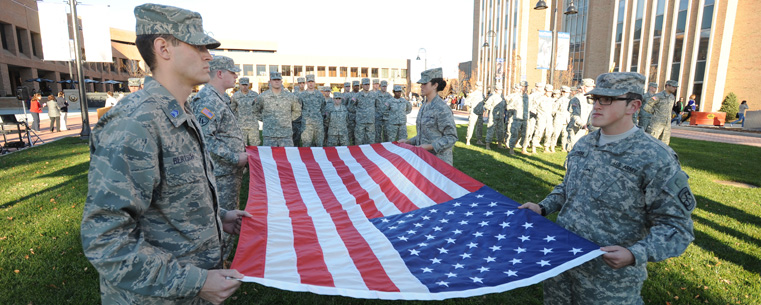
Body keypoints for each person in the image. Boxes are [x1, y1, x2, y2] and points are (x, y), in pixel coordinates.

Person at [81, 4, 250, 304]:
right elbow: (105, 240)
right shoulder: (136, 123)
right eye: (198, 46)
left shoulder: (180, 112)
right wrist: (195, 282)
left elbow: (174, 197)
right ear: (163, 48)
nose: (208, 56)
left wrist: (219, 216)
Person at [519, 72, 694, 305]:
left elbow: (677, 227)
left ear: (634, 105)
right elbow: (568, 187)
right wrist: (542, 208)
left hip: (608, 281)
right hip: (563, 263)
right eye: (596, 99)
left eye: (608, 100)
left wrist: (635, 254)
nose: (597, 106)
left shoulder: (655, 157)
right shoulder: (585, 143)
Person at [399, 68, 457, 165]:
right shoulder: (424, 105)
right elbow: (424, 134)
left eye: (424, 84)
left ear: (435, 85)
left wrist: (430, 146)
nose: (421, 86)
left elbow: (451, 137)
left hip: (438, 161)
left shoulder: (442, 108)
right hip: (424, 159)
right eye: (421, 84)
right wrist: (408, 141)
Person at [253, 72, 301, 147]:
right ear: (270, 82)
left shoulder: (290, 97)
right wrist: (265, 119)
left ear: (281, 81)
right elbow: (255, 111)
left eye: (278, 79)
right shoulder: (263, 97)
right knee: (269, 157)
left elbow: (297, 111)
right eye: (274, 79)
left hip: (286, 135)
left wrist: (288, 119)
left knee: (286, 157)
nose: (276, 81)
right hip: (269, 135)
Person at [643, 80, 678, 144]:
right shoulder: (658, 96)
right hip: (656, 125)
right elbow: (647, 107)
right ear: (667, 86)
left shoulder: (672, 97)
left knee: (664, 145)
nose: (675, 88)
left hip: (666, 126)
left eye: (676, 87)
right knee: (652, 143)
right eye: (673, 86)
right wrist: (655, 113)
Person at [566, 78, 595, 151]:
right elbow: (574, 115)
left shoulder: (591, 98)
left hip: (588, 128)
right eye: (590, 87)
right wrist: (582, 124)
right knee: (573, 149)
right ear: (584, 87)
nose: (592, 88)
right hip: (577, 128)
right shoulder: (576, 99)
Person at [230, 76, 260, 146]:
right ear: (239, 85)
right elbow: (232, 109)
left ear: (249, 85)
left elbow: (259, 107)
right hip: (241, 125)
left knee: (255, 145)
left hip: (253, 125)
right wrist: (237, 118)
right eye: (242, 85)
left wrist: (257, 116)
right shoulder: (236, 96)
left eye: (246, 85)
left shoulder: (255, 95)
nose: (244, 87)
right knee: (242, 146)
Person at [298, 74, 325, 147]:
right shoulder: (302, 95)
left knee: (319, 144)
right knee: (306, 145)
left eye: (312, 81)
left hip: (318, 124)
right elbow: (299, 109)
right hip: (306, 125)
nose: (310, 83)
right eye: (309, 81)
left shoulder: (319, 95)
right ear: (306, 83)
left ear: (314, 82)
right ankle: (306, 158)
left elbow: (323, 108)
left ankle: (319, 158)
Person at [531, 84, 556, 154]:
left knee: (549, 132)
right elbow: (533, 107)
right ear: (545, 91)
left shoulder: (551, 100)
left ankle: (546, 147)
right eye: (548, 91)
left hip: (549, 118)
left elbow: (553, 109)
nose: (550, 93)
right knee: (539, 132)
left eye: (551, 92)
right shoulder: (540, 98)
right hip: (541, 118)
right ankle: (534, 147)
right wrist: (537, 114)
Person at [351, 78, 377, 145]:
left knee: (371, 140)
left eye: (368, 84)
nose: (367, 86)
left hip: (370, 121)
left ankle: (370, 154)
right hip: (360, 121)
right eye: (365, 84)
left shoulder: (373, 95)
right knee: (359, 140)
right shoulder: (357, 95)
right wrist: (358, 112)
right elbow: (351, 106)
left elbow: (377, 106)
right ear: (362, 85)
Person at [508, 81, 530, 155]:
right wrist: (514, 111)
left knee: (525, 134)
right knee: (514, 134)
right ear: (520, 87)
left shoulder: (527, 97)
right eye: (524, 86)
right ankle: (511, 148)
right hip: (517, 118)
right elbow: (509, 106)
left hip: (525, 119)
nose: (525, 88)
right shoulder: (515, 97)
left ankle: (524, 148)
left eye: (526, 86)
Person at [550, 86, 572, 152]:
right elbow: (553, 110)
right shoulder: (559, 100)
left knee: (565, 134)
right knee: (556, 134)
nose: (568, 94)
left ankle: (563, 147)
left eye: (568, 92)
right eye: (566, 92)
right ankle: (552, 146)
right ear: (563, 93)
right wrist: (556, 116)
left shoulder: (569, 101)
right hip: (558, 119)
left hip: (566, 119)